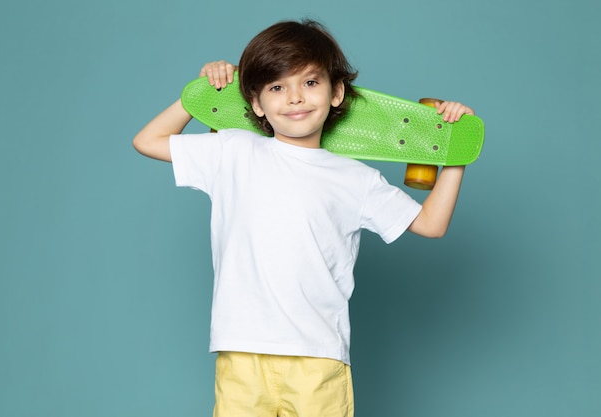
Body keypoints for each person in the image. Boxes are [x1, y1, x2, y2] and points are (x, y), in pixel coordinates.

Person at [133, 19, 474, 417]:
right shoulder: (232, 151)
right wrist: (202, 93)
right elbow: (147, 141)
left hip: (318, 359)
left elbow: (431, 224)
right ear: (257, 103)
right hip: (243, 351)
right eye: (278, 87)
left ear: (336, 92)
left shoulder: (355, 178)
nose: (295, 97)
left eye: (310, 83)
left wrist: (454, 150)